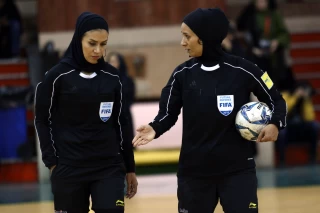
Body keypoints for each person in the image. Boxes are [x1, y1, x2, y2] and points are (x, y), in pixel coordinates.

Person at [132, 8, 286, 213]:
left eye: (187, 37)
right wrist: (154, 127)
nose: (182, 42)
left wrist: (275, 123)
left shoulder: (244, 70)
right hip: (194, 174)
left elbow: (276, 99)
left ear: (205, 38)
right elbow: (168, 113)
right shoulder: (182, 74)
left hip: (237, 171)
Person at [34, 12, 137, 213]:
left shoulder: (113, 77)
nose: (98, 50)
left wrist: (130, 167)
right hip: (68, 169)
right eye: (92, 43)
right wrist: (52, 163)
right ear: (78, 38)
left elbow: (122, 122)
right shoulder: (56, 76)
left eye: (103, 44)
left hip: (108, 168)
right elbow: (41, 120)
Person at [236, 0, 290, 87]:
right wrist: (252, 49)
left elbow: (284, 34)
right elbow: (241, 34)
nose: (260, 3)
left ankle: (271, 95)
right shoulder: (248, 14)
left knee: (270, 83)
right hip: (254, 56)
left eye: (263, 1)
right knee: (257, 80)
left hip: (272, 56)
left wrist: (277, 42)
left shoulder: (274, 15)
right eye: (258, 1)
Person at [277, 81, 319, 165]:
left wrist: (306, 100)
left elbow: (310, 118)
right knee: (281, 132)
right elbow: (285, 109)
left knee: (315, 126)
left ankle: (313, 157)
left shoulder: (306, 99)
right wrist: (296, 96)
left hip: (300, 127)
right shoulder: (285, 95)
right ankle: (282, 160)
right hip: (288, 126)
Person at [107, 52, 136, 143]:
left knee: (126, 142)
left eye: (115, 61)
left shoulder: (127, 80)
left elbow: (131, 97)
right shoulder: (104, 79)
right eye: (110, 62)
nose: (112, 64)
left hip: (124, 114)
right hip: (109, 115)